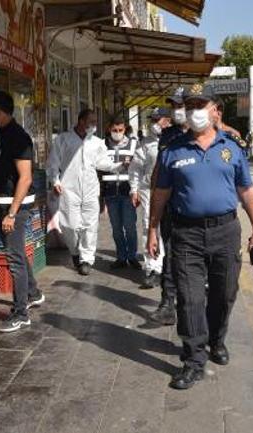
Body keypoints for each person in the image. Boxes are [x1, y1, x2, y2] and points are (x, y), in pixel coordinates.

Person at [148, 89, 253, 390]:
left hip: (226, 232)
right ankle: (193, 360)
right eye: (190, 106)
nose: (194, 111)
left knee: (224, 294)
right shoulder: (173, 149)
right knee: (189, 299)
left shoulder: (232, 147)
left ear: (216, 110)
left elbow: (246, 191)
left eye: (201, 105)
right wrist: (151, 229)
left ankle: (216, 340)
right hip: (185, 233)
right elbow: (160, 193)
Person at [0, 90, 45, 333]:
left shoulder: (18, 138)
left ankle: (21, 313)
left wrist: (11, 213)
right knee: (17, 252)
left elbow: (25, 178)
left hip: (14, 209)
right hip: (2, 205)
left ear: (2, 111)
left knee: (14, 258)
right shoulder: (1, 136)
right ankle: (32, 292)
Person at [47, 109, 123, 276]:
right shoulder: (63, 139)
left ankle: (87, 259)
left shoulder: (97, 142)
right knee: (70, 225)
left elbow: (102, 162)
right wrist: (55, 180)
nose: (94, 125)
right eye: (91, 121)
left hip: (90, 188)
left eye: (96, 121)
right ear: (81, 121)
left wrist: (117, 166)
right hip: (69, 189)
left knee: (90, 225)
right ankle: (75, 252)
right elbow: (53, 162)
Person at [146, 91, 188, 326]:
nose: (176, 110)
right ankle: (167, 303)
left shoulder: (203, 134)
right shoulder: (168, 135)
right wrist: (154, 206)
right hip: (170, 207)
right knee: (170, 254)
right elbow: (159, 171)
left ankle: (190, 303)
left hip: (193, 209)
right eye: (173, 106)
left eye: (180, 105)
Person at [130, 108, 171, 289]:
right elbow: (135, 168)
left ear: (168, 120)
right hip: (149, 190)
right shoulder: (145, 143)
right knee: (149, 226)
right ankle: (153, 268)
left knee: (170, 229)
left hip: (172, 191)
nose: (154, 123)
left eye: (157, 119)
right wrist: (134, 189)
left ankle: (169, 266)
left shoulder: (177, 140)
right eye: (152, 119)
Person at [102, 116, 139, 270]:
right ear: (109, 129)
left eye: (120, 130)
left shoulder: (133, 144)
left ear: (125, 129)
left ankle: (132, 256)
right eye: (114, 130)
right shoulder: (102, 145)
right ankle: (121, 257)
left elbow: (139, 168)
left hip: (127, 192)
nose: (117, 133)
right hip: (110, 193)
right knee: (116, 228)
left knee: (130, 227)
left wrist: (136, 191)